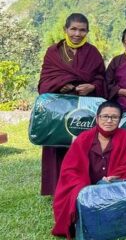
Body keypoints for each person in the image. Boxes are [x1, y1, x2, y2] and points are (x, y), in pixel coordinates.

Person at [51, 101, 126, 239]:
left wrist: (116, 177)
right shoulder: (83, 138)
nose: (109, 120)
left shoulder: (125, 137)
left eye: (114, 117)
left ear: (119, 119)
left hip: (114, 186)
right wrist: (84, 188)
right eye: (105, 116)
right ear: (97, 118)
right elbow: (70, 169)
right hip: (87, 189)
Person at [38, 13, 107, 196]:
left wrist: (92, 86)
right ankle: (56, 187)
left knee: (84, 145)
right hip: (59, 111)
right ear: (65, 29)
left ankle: (83, 183)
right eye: (73, 29)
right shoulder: (53, 51)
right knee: (58, 146)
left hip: (83, 109)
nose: (77, 33)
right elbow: (44, 81)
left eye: (82, 30)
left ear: (87, 31)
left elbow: (103, 79)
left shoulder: (92, 53)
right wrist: (60, 85)